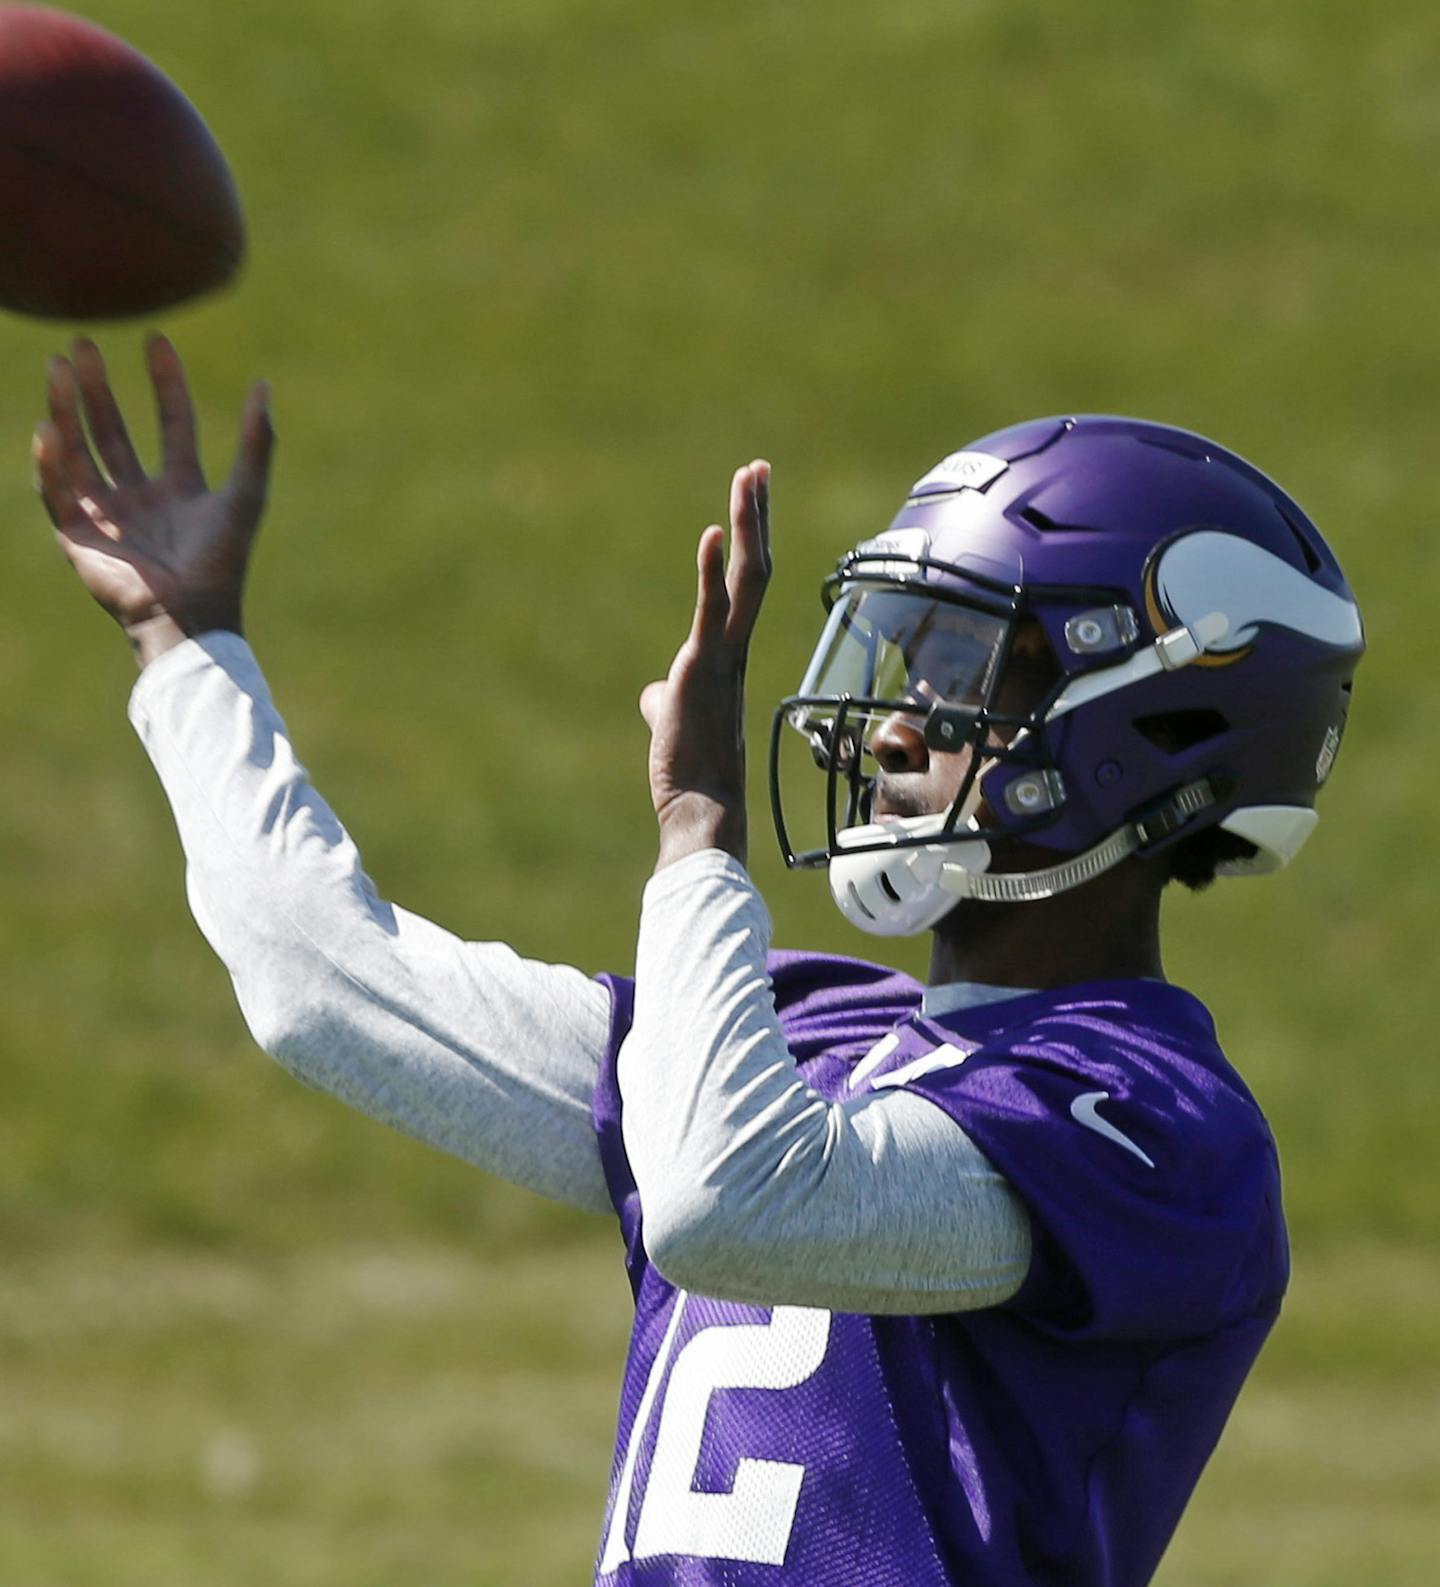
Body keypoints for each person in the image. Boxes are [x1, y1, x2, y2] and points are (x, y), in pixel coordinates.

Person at [34, 336, 1365, 1587]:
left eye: (968, 673)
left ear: (1159, 720)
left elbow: (731, 1203)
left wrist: (697, 836)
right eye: (905, 656)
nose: (895, 729)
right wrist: (185, 647)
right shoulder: (801, 1025)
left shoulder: (1160, 1126)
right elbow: (323, 984)